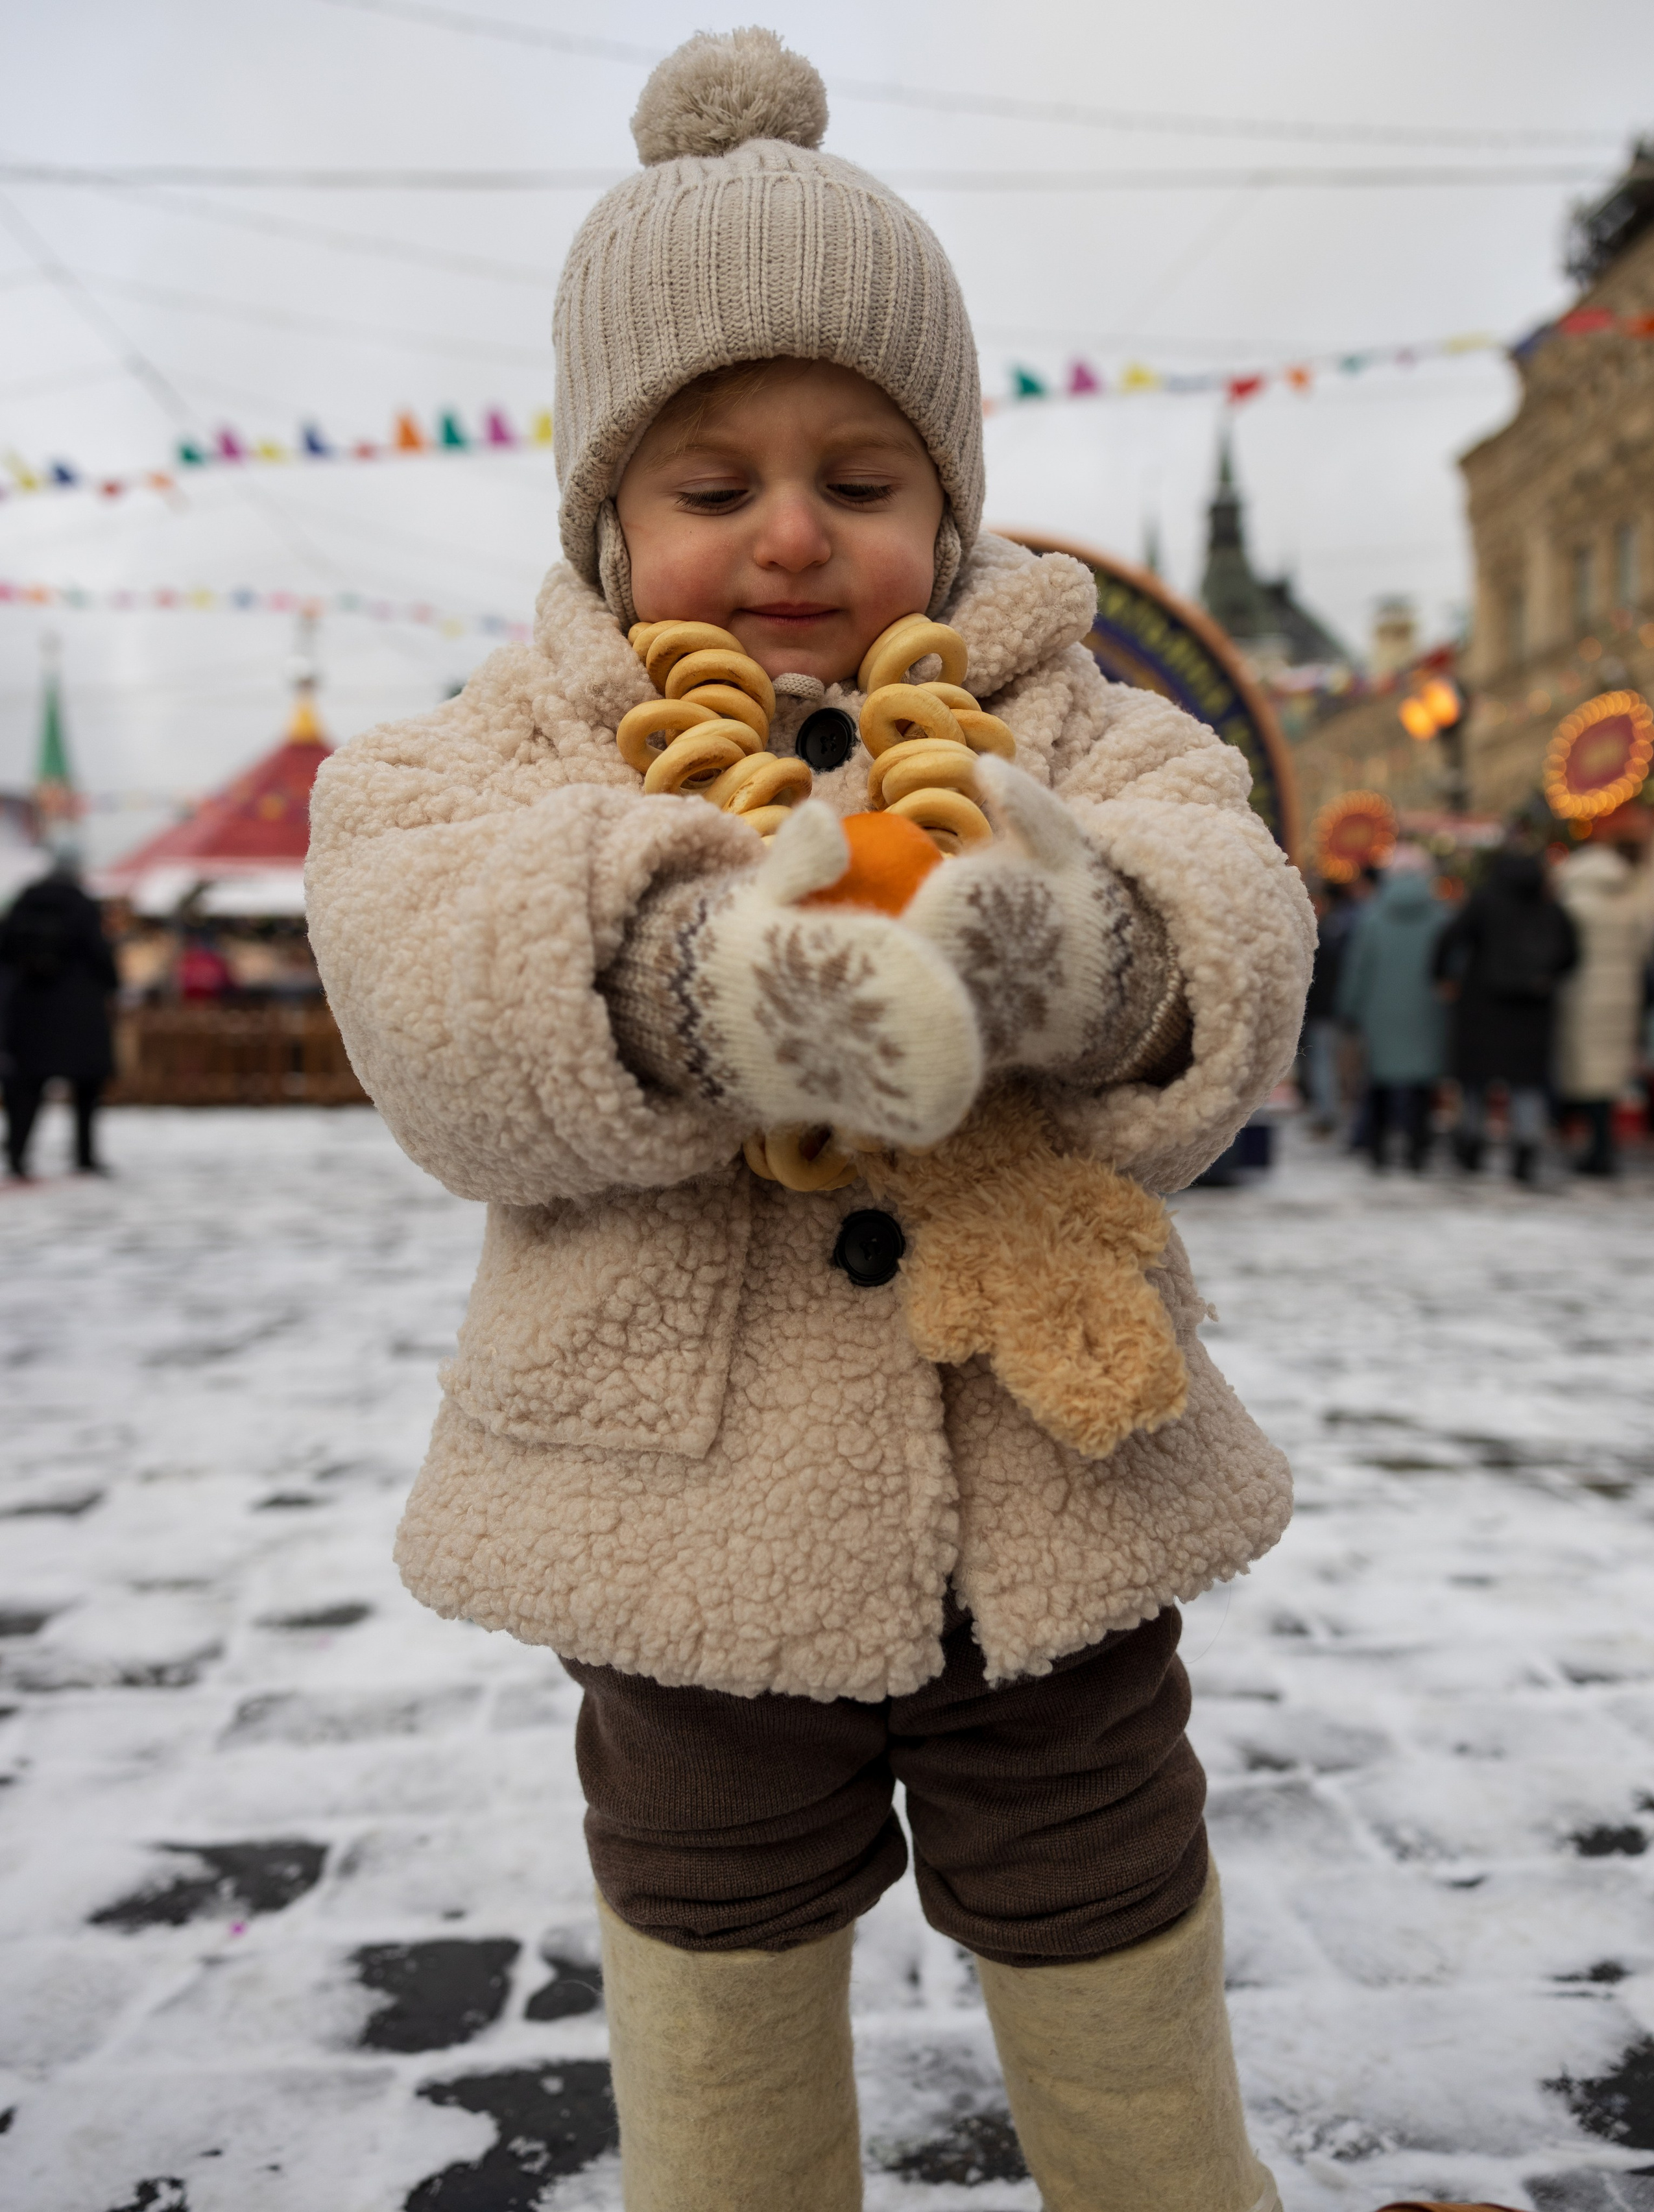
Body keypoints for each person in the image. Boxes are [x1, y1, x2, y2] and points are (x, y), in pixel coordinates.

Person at [305, 32, 1313, 2212]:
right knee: (715, 1956)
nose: (790, 534)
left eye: (859, 483)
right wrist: (695, 987)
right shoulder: (485, 748)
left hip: (1059, 1484)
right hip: (684, 1543)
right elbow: (428, 975)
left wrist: (1082, 960)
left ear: (945, 506)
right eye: (711, 483)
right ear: (603, 509)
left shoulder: (1078, 710)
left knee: (1116, 1927)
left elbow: (1235, 912)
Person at [1434, 843, 1577, 1184]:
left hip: (1481, 1008)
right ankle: (1525, 1152)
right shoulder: (1550, 908)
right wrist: (1549, 978)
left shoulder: (1485, 902)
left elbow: (1449, 939)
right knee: (1527, 1084)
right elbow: (1572, 954)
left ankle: (1471, 1146)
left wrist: (1442, 978)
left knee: (1474, 1082)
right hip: (1533, 1012)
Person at [0, 858, 119, 1180]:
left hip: (29, 1011)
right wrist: (111, 984)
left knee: (26, 1088)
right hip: (80, 1012)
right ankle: (84, 1155)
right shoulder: (82, 907)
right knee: (86, 1089)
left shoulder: (22, 906)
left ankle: (17, 1153)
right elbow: (101, 956)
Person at [1336, 847, 1447, 1171]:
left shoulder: (1373, 917)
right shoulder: (1441, 917)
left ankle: (1378, 1147)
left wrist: (1350, 1008)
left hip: (1379, 1014)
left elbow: (1358, 968)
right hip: (1426, 1012)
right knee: (1421, 1085)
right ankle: (1418, 1149)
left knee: (1380, 1081)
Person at [1553, 834, 1654, 1175]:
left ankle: (1596, 1148)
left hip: (1582, 996)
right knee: (1608, 1074)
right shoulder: (1630, 903)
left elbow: (1561, 951)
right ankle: (1602, 1145)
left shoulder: (1574, 904)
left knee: (1586, 1072)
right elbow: (1643, 951)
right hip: (1623, 996)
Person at [1300, 879, 1358, 1134]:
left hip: (1324, 1010)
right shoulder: (1353, 926)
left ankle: (1327, 1115)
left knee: (1324, 1064)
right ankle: (1338, 1115)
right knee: (1340, 1065)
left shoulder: (1328, 932)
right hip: (1343, 1010)